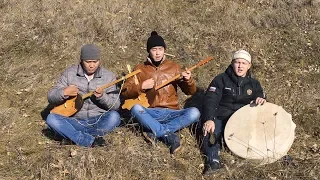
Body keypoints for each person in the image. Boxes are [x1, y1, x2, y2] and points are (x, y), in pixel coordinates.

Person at [121, 31, 201, 154]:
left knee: (194, 112)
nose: (157, 53)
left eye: (160, 49)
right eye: (154, 49)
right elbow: (125, 92)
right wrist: (141, 86)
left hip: (171, 112)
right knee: (136, 108)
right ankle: (168, 135)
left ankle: (155, 131)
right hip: (150, 112)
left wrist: (188, 80)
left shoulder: (174, 67)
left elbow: (191, 91)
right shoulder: (140, 69)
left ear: (164, 50)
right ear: (149, 51)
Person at [201, 50, 266, 174]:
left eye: (244, 63)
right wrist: (209, 118)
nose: (240, 66)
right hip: (221, 116)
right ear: (232, 63)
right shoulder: (220, 79)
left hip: (242, 120)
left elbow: (261, 97)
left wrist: (261, 99)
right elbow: (210, 100)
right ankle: (213, 161)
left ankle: (271, 155)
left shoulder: (254, 84)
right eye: (237, 62)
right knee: (210, 130)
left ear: (249, 66)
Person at [46, 44, 121, 147]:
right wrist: (64, 92)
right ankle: (90, 140)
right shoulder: (69, 74)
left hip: (98, 120)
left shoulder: (109, 76)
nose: (92, 65)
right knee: (51, 119)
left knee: (114, 117)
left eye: (95, 62)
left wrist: (102, 97)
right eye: (88, 62)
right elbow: (51, 97)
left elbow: (116, 105)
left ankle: (73, 138)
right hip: (74, 121)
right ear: (81, 60)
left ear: (99, 61)